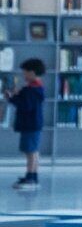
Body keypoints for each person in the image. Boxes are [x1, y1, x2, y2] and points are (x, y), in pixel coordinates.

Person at [9, 56, 45, 189]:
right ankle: (32, 176)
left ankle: (30, 178)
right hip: (34, 124)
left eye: (25, 72)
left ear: (32, 73)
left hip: (30, 125)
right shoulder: (36, 88)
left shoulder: (31, 90)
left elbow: (25, 106)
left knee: (30, 152)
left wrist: (12, 98)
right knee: (33, 151)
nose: (23, 75)